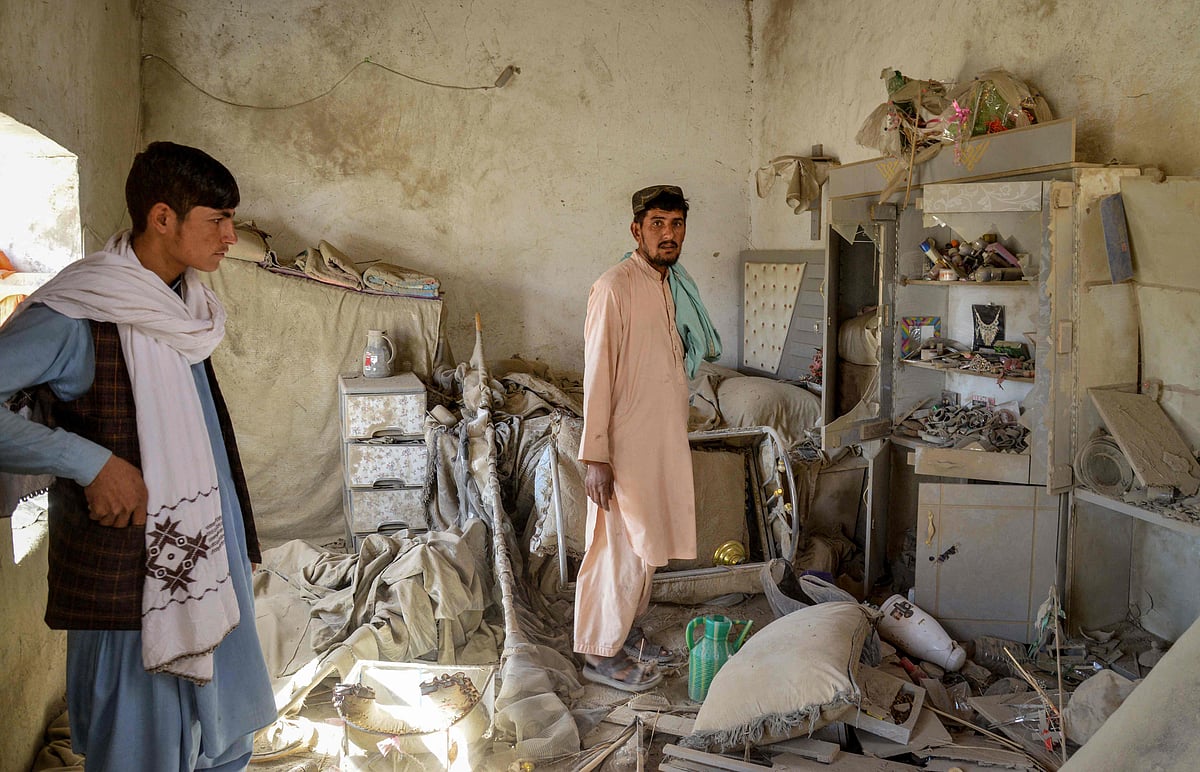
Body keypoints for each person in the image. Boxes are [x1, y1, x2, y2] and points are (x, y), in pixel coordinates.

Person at [0, 142, 276, 770]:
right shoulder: (78, 314)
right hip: (128, 582)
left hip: (207, 561)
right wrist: (88, 461)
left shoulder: (187, 307)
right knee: (140, 748)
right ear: (162, 218)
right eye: (218, 219)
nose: (232, 236)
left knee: (220, 740)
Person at [573, 184, 719, 692]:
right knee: (615, 549)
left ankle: (624, 634)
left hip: (660, 442)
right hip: (622, 447)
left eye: (676, 224)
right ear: (637, 230)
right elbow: (596, 375)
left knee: (645, 548)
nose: (668, 234)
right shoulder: (613, 287)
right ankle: (598, 653)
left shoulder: (671, 287)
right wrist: (596, 455)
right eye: (657, 224)